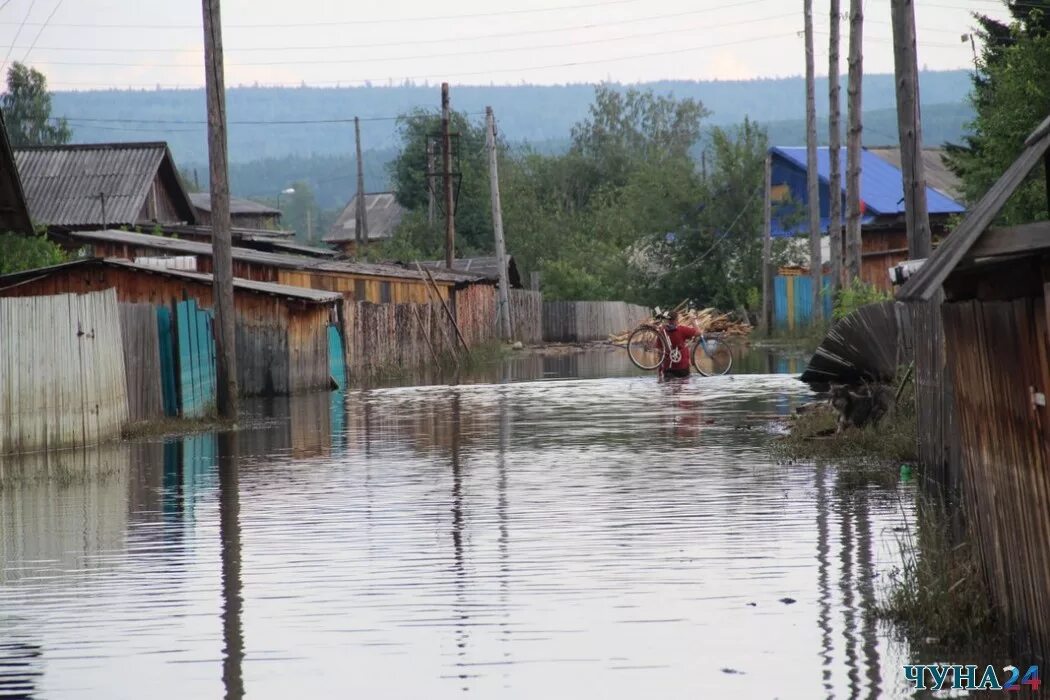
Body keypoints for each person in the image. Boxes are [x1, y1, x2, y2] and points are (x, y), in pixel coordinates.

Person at [658, 309, 699, 380]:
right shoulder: (682, 330)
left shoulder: (662, 332)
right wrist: (693, 322)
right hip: (683, 368)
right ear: (676, 319)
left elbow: (660, 353)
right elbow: (699, 333)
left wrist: (660, 371)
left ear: (667, 320)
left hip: (668, 369)